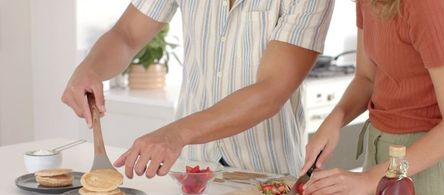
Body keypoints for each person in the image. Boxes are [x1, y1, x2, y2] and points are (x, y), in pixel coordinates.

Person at [62, 1, 335, 178]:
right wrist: (90, 68)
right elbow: (126, 35)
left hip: (266, 172)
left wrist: (176, 133)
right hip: (192, 169)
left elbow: (271, 91)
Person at [301, 0, 444, 195]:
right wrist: (335, 119)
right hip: (381, 161)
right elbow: (367, 79)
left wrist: (369, 179)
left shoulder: (430, 5)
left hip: (432, 175)